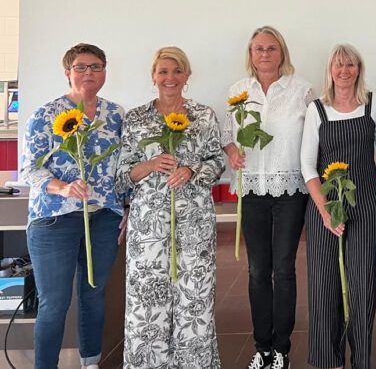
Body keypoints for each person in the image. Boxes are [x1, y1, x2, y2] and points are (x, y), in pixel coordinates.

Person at [301, 44, 376, 369]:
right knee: (324, 285)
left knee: (362, 286)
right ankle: (327, 360)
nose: (344, 71)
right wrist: (325, 212)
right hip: (325, 206)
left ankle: (361, 360)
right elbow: (307, 167)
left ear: (359, 69)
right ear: (330, 71)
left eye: (350, 65)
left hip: (366, 205)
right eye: (338, 65)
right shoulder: (316, 109)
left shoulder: (371, 105)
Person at [117, 46, 225, 368]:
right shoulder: (136, 118)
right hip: (148, 228)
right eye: (163, 71)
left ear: (187, 76)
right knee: (147, 302)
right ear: (153, 77)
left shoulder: (203, 115)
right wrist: (150, 165)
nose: (170, 78)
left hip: (194, 223)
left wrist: (192, 170)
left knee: (195, 299)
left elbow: (217, 161)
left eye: (177, 71)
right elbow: (123, 175)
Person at [21, 43, 125, 369]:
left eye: (96, 66)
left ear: (105, 71)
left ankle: (90, 362)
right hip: (54, 220)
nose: (89, 73)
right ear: (67, 72)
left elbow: (125, 167)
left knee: (93, 295)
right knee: (54, 303)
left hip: (104, 218)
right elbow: (30, 168)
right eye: (81, 67)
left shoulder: (116, 114)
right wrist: (63, 188)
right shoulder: (46, 115)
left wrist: (128, 208)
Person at [222, 26, 314, 369]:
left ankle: (282, 348)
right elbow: (227, 135)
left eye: (271, 48)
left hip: (290, 190)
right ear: (250, 54)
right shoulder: (238, 91)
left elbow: (314, 136)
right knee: (258, 270)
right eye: (258, 48)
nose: (264, 54)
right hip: (251, 190)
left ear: (282, 53)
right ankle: (261, 346)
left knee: (283, 268)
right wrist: (232, 152)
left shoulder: (302, 90)